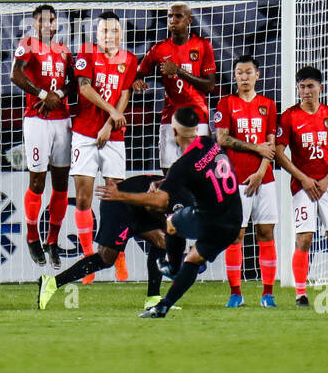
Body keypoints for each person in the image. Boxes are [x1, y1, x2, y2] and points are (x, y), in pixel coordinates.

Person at [97, 106, 242, 318]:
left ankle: (173, 268)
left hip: (209, 221)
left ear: (174, 132)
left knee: (172, 221)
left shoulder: (183, 165)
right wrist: (165, 182)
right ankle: (163, 306)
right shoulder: (210, 144)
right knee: (193, 261)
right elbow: (200, 174)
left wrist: (120, 195)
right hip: (233, 220)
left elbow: (158, 200)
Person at [37, 173, 179, 311]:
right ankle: (52, 283)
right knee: (106, 259)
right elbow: (151, 206)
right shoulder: (184, 193)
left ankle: (153, 298)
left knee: (162, 241)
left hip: (139, 209)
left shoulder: (188, 191)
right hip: (119, 205)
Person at [69, 11, 138, 283]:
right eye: (103, 31)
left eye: (113, 31)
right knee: (84, 198)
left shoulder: (130, 60)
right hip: (85, 133)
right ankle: (89, 261)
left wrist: (109, 124)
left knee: (115, 198)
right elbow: (84, 89)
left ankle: (118, 256)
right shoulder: (86, 54)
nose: (108, 36)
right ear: (96, 35)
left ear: (121, 33)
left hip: (114, 136)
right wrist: (110, 113)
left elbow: (125, 94)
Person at [274, 66, 328, 307]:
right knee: (304, 238)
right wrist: (303, 178)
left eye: (310, 86)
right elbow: (278, 152)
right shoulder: (288, 117)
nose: (306, 91)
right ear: (298, 89)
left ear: (320, 87)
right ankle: (300, 293)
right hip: (302, 187)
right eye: (302, 87)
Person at [212, 55, 280, 308]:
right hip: (235, 179)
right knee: (235, 236)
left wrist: (262, 172)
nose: (243, 77)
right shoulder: (227, 103)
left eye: (248, 72)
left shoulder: (268, 105)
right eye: (239, 73)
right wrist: (256, 148)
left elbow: (271, 144)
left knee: (265, 232)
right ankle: (235, 293)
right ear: (234, 76)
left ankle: (268, 293)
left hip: (265, 179)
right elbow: (222, 138)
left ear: (257, 75)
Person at [10, 4, 73, 267]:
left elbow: (74, 82)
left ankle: (52, 241)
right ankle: (32, 235)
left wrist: (59, 95)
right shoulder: (28, 44)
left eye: (51, 20)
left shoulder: (65, 51)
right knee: (37, 181)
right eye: (41, 20)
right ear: (34, 24)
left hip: (63, 121)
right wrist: (43, 94)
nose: (47, 25)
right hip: (37, 120)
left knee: (61, 185)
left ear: (57, 24)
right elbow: (15, 74)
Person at [133, 2, 218, 171]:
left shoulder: (202, 45)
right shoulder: (159, 49)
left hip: (197, 117)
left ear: (189, 20)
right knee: (168, 173)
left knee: (199, 173)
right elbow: (138, 74)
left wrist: (178, 71)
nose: (173, 20)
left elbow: (209, 85)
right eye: (170, 16)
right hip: (170, 117)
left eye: (178, 16)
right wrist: (137, 81)